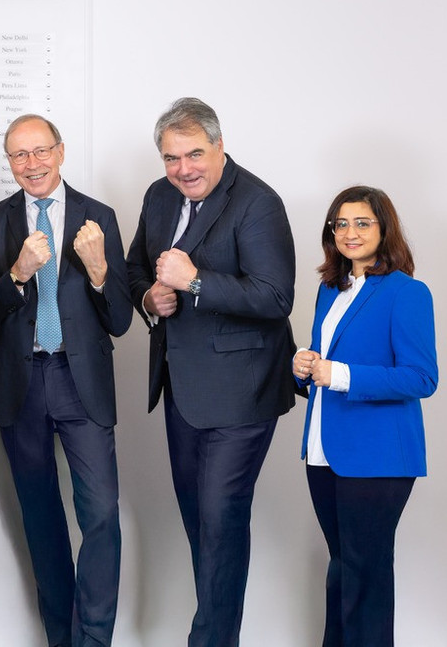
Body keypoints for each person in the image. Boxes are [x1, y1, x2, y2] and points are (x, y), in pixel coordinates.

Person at [125, 97, 296, 647]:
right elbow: (134, 269)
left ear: (220, 147)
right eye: (171, 158)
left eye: (194, 154)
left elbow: (275, 297)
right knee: (201, 524)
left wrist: (195, 281)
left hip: (242, 392)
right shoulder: (158, 196)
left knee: (221, 524)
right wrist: (151, 296)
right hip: (183, 389)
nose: (184, 169)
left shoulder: (257, 202)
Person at [0, 114, 132, 647]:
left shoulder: (99, 216)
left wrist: (99, 271)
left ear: (60, 152)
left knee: (102, 517)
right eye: (19, 155)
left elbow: (121, 319)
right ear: (10, 162)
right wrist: (17, 272)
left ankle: (94, 640)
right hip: (19, 383)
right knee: (42, 524)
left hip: (79, 379)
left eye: (40, 151)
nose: (32, 164)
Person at [292, 186, 437, 647]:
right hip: (323, 450)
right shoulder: (329, 290)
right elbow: (324, 364)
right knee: (343, 568)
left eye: (362, 223)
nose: (349, 233)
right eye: (340, 223)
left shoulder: (407, 293)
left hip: (377, 457)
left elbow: (420, 378)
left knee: (365, 574)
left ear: (384, 229)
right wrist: (303, 368)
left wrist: (341, 375)